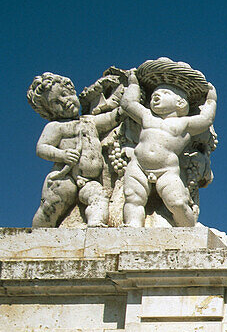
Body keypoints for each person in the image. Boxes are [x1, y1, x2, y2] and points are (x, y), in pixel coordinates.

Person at [120, 59, 216, 227]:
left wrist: (211, 100)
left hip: (167, 170)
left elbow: (206, 119)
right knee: (133, 197)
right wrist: (133, 84)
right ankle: (132, 226)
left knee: (178, 203)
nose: (156, 95)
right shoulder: (147, 116)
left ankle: (188, 229)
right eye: (155, 93)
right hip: (138, 165)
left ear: (180, 103)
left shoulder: (183, 124)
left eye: (165, 93)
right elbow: (128, 104)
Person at [29, 71, 124, 227]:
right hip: (65, 177)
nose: (65, 102)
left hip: (88, 181)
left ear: (73, 92)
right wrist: (62, 154)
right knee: (50, 208)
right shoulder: (55, 127)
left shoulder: (89, 121)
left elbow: (111, 118)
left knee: (98, 197)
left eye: (66, 95)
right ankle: (36, 233)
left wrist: (126, 105)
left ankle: (95, 225)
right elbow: (41, 148)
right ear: (50, 111)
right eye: (56, 102)